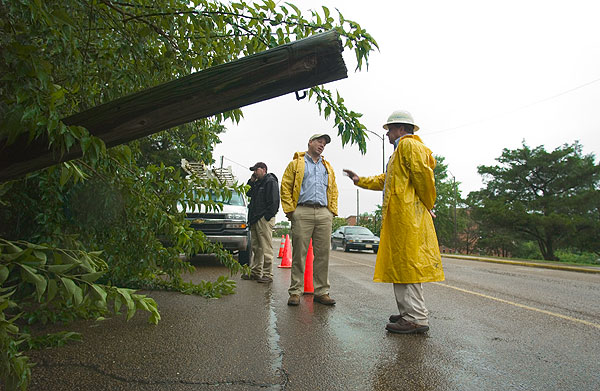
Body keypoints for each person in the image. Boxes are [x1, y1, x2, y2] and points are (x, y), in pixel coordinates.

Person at [343, 110, 444, 334]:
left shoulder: (408, 146)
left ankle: (416, 318)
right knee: (402, 265)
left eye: (389, 130)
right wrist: (360, 180)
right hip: (403, 217)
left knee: (408, 266)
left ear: (400, 128)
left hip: (409, 217)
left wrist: (428, 204)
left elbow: (424, 178)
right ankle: (409, 312)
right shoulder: (400, 151)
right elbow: (387, 180)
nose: (387, 134)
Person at [280, 134, 338, 306]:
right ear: (310, 143)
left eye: (325, 143)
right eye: (319, 141)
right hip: (302, 211)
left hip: (323, 213)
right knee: (299, 254)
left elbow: (333, 190)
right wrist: (292, 211)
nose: (322, 145)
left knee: (323, 255)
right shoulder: (296, 164)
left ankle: (321, 292)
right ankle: (295, 292)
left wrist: (331, 212)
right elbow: (285, 186)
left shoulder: (327, 167)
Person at [242, 162, 280, 283]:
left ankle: (268, 274)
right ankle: (255, 272)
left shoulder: (270, 181)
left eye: (255, 170)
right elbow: (248, 193)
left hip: (263, 218)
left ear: (263, 169)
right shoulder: (257, 183)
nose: (254, 172)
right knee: (256, 247)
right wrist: (251, 180)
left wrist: (267, 217)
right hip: (254, 218)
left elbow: (274, 201)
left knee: (266, 247)